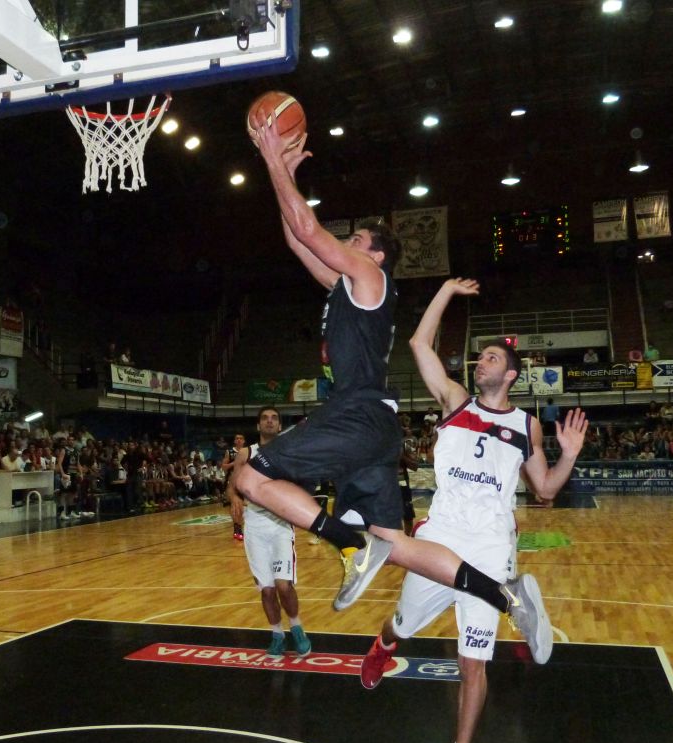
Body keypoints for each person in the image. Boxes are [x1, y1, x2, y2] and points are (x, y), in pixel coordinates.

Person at [234, 118, 559, 663]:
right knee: (398, 544)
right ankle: (507, 597)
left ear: (376, 256)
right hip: (375, 427)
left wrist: (270, 156)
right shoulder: (346, 287)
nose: (347, 244)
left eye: (356, 240)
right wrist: (281, 173)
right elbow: (296, 238)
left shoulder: (369, 277)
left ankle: (348, 544)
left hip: (357, 414)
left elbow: (309, 230)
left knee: (250, 477)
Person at [358, 277, 589, 743]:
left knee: (473, 660)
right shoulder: (454, 401)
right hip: (440, 537)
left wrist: (570, 454)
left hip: (488, 545)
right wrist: (444, 291)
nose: (479, 363)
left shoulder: (526, 427)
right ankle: (384, 646)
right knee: (403, 623)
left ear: (510, 375)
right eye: (479, 357)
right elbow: (419, 343)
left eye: (490, 358)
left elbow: (546, 490)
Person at [228, 406, 311, 659]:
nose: (270, 421)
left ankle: (296, 628)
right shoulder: (246, 453)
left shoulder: (289, 451)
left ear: (280, 425)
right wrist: (234, 498)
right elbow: (232, 486)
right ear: (258, 425)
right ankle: (277, 635)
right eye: (265, 418)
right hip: (254, 525)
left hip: (280, 523)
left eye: (274, 418)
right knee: (266, 589)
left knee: (283, 585)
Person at [221, 433, 247, 540]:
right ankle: (237, 528)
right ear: (234, 441)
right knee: (234, 505)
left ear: (244, 441)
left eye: (241, 438)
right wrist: (234, 463)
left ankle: (238, 526)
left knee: (241, 506)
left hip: (244, 481)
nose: (239, 440)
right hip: (231, 482)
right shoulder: (229, 452)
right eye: (237, 438)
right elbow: (223, 467)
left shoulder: (247, 452)